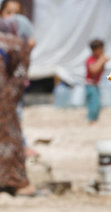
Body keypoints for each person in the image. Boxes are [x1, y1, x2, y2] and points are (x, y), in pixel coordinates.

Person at [0, 14, 37, 196]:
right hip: (3, 99)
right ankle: (16, 182)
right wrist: (12, 95)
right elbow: (20, 73)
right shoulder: (14, 42)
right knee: (9, 137)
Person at [85, 39, 108, 124]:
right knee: (94, 103)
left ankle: (94, 119)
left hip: (96, 84)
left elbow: (101, 70)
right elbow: (93, 70)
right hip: (90, 84)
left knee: (97, 103)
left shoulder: (97, 59)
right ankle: (91, 120)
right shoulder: (90, 60)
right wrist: (101, 60)